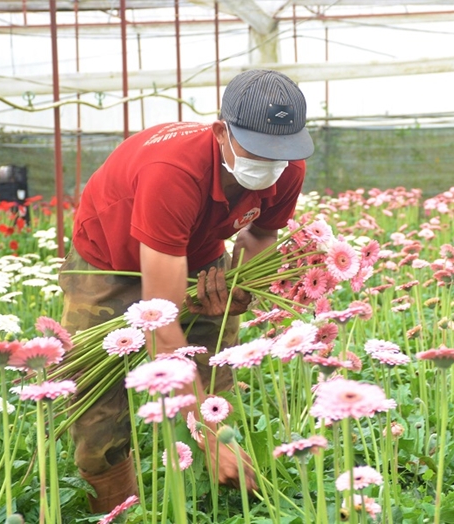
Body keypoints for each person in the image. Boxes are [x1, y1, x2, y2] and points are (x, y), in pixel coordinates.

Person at [58, 69, 314, 513]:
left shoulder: (287, 168)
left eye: (282, 153)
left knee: (212, 365)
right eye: (258, 151)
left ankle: (216, 497)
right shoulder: (172, 171)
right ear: (221, 133)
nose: (272, 168)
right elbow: (160, 320)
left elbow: (259, 236)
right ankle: (114, 509)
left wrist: (239, 288)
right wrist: (210, 436)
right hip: (108, 261)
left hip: (196, 252)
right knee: (97, 401)